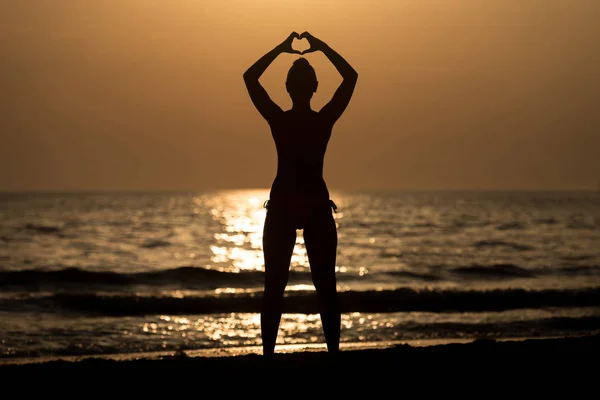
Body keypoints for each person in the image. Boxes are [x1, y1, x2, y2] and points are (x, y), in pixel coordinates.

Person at [243, 31, 358, 358]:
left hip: (283, 205)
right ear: (315, 88)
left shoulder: (280, 120)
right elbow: (350, 76)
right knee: (326, 288)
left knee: (274, 288)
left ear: (288, 88)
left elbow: (250, 77)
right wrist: (321, 49)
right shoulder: (323, 121)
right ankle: (333, 354)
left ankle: (268, 356)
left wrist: (280, 49)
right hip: (314, 205)